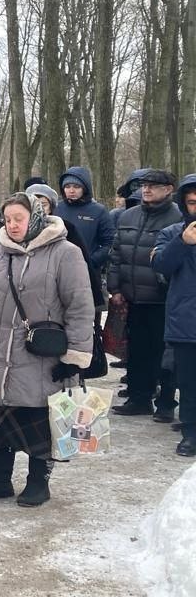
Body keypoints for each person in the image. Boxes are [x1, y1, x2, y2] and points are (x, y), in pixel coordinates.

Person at [0, 194, 94, 506]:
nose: (13, 225)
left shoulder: (66, 253)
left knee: (39, 425)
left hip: (42, 357)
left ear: (34, 217)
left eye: (18, 218)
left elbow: (79, 306)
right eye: (7, 219)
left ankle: (38, 483)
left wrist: (74, 357)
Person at [107, 169, 183, 419]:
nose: (146, 189)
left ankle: (165, 403)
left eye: (153, 185)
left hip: (164, 298)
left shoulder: (178, 217)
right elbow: (116, 255)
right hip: (133, 297)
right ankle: (139, 397)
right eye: (144, 185)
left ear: (169, 189)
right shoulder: (128, 216)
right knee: (137, 351)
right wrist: (115, 288)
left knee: (164, 354)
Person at [153, 175, 196, 456]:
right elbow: (160, 265)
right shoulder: (171, 233)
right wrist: (183, 242)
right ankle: (191, 432)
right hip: (186, 321)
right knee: (189, 383)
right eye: (192, 202)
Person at [54, 167, 115, 293]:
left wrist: (92, 261)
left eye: (76, 186)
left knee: (87, 309)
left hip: (89, 272)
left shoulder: (98, 211)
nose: (71, 190)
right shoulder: (57, 209)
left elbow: (110, 242)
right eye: (67, 186)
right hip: (58, 269)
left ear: (85, 188)